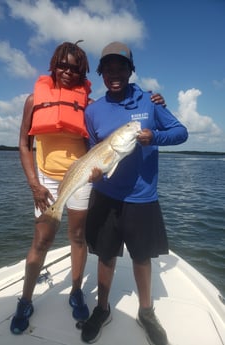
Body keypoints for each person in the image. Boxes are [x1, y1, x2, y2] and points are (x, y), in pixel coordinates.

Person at [10, 41, 166, 335]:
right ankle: (25, 299)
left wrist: (153, 102)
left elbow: (111, 126)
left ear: (83, 72)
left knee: (78, 237)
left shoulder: (90, 104)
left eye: (74, 67)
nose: (67, 72)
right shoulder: (33, 100)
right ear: (53, 65)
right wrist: (33, 183)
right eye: (62, 65)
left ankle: (76, 291)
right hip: (45, 180)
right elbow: (23, 144)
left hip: (80, 176)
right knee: (41, 241)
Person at [81, 42, 188, 345]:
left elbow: (181, 133)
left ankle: (146, 311)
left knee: (142, 257)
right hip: (104, 194)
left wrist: (155, 135)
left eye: (121, 67)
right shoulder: (93, 111)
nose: (115, 73)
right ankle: (102, 309)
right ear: (101, 73)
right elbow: (92, 151)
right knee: (105, 256)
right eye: (109, 68)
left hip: (142, 196)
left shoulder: (150, 102)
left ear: (130, 70)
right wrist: (94, 170)